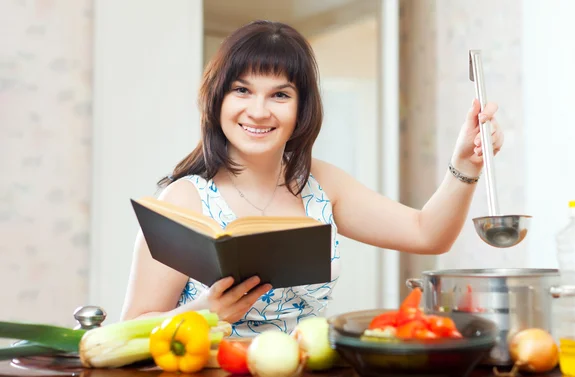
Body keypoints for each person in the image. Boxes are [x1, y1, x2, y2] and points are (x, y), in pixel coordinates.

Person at [120, 20, 504, 337]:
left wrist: (466, 164)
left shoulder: (319, 182)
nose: (258, 111)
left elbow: (426, 233)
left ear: (302, 107)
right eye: (242, 90)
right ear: (218, 99)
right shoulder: (183, 200)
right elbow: (129, 330)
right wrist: (202, 312)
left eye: (280, 95)